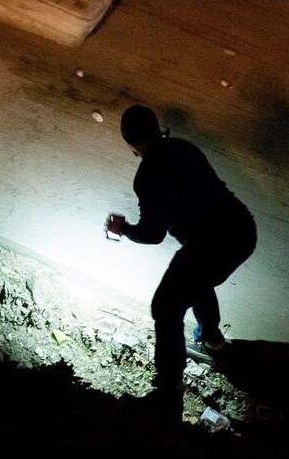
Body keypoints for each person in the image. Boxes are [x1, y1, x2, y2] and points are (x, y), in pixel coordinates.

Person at [106, 105, 257, 393]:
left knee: (165, 307)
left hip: (210, 243)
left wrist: (123, 228)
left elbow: (153, 234)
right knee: (197, 280)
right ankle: (214, 341)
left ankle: (169, 388)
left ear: (131, 143)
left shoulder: (147, 174)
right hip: (242, 229)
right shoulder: (184, 147)